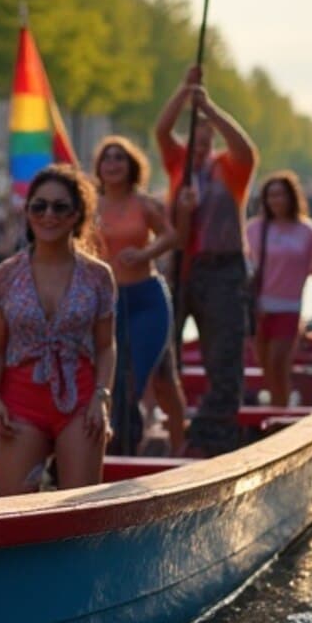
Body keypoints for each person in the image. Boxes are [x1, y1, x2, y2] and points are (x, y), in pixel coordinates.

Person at [0, 166, 117, 496]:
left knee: (81, 507)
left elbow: (105, 346)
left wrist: (101, 398)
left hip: (81, 402)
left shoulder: (98, 276)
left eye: (60, 207)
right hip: (21, 402)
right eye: (39, 206)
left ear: (76, 215)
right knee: (11, 511)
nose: (48, 215)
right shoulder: (7, 274)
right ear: (27, 213)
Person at [155, 65, 258, 457]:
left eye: (206, 139)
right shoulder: (178, 165)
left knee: (223, 355)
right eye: (193, 137)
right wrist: (183, 93)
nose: (198, 145)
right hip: (179, 267)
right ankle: (167, 425)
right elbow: (162, 130)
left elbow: (246, 147)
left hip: (222, 270)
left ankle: (211, 436)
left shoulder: (230, 169)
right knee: (164, 353)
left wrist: (209, 107)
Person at [92, 136, 182, 454]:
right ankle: (116, 446)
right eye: (107, 158)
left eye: (120, 158)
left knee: (138, 377)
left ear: (131, 167)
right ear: (99, 168)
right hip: (106, 304)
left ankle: (171, 446)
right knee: (110, 379)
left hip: (147, 300)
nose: (113, 164)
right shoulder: (89, 205)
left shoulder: (143, 204)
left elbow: (171, 236)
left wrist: (146, 254)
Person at [244, 172, 312, 406]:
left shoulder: (305, 232)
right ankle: (277, 406)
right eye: (271, 195)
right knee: (266, 368)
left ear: (291, 197)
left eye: (281, 195)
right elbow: (242, 268)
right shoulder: (254, 229)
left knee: (278, 364)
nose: (276, 200)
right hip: (258, 309)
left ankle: (279, 415)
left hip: (288, 309)